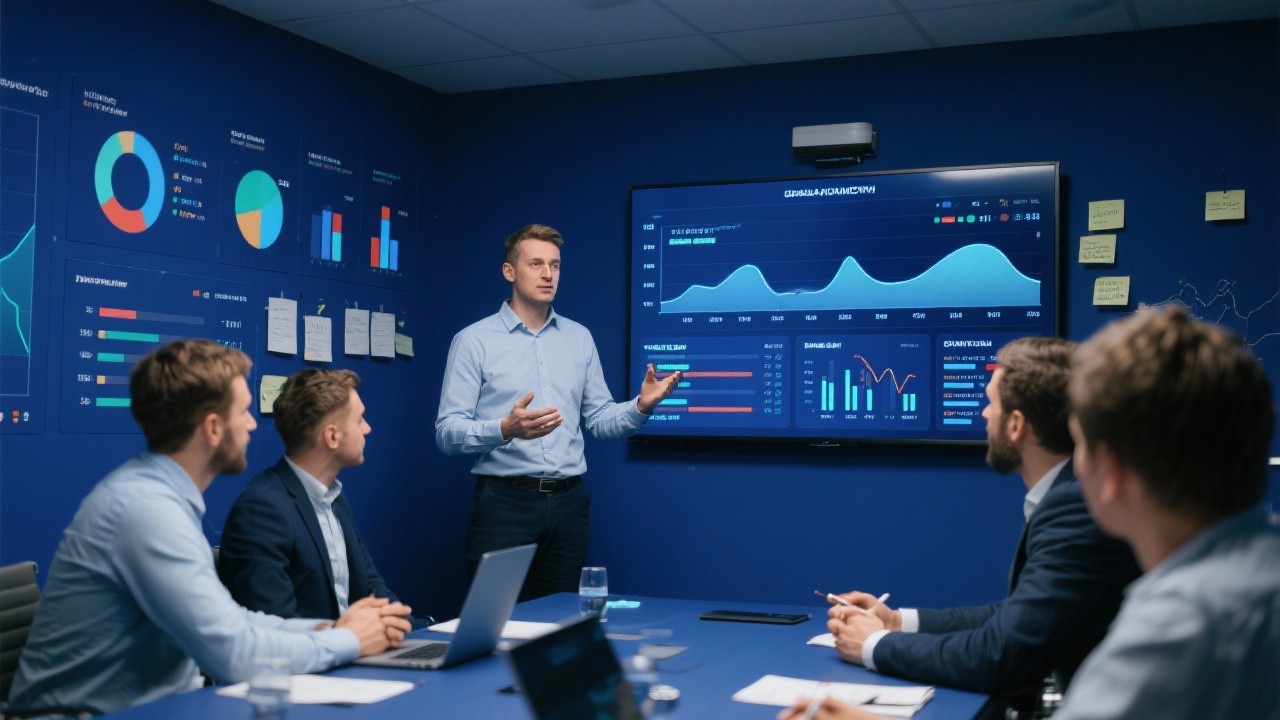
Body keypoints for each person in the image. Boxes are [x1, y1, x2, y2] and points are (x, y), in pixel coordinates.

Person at [780, 307, 1280, 720]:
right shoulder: (1254, 570)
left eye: (1082, 443)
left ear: (1113, 471)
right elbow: (1025, 615)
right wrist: (896, 622)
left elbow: (1010, 649)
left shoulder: (1178, 626)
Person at [6, 340, 412, 717]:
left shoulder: (159, 497)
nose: (254, 425)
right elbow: (234, 653)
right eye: (245, 413)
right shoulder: (146, 510)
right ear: (213, 428)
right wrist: (350, 641)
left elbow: (232, 622)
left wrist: (331, 628)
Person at [825, 337, 1140, 713]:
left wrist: (874, 645)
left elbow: (1001, 655)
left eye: (991, 403)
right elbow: (1015, 617)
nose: (983, 415)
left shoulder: (1075, 505)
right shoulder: (1069, 493)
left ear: (1017, 424)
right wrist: (895, 621)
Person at [435, 224, 681, 600]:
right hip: (505, 504)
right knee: (494, 619)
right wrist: (504, 428)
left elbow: (599, 421)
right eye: (536, 264)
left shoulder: (578, 337)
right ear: (509, 272)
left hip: (569, 504)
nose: (548, 274)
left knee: (559, 624)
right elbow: (447, 433)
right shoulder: (473, 341)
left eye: (555, 265)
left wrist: (640, 406)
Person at [218, 368, 422, 625]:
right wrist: (349, 636)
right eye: (359, 420)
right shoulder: (261, 510)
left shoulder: (334, 497)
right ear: (332, 436)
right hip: (309, 661)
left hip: (357, 653)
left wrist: (409, 626)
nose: (368, 429)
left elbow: (370, 583)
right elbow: (274, 624)